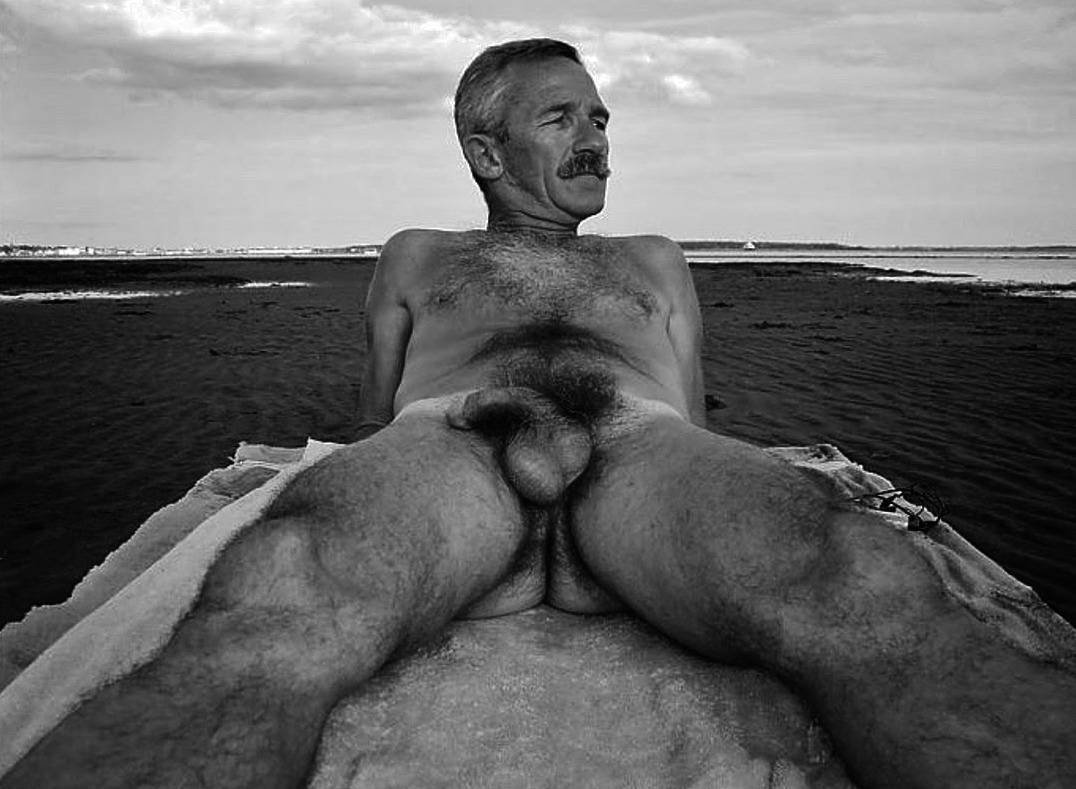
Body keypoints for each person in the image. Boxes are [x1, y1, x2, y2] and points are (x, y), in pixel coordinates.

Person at [3, 38, 1074, 789]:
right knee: (288, 584)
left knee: (854, 578)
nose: (595, 136)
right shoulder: (418, 255)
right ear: (486, 151)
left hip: (638, 454)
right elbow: (378, 411)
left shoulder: (652, 259)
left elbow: (689, 415)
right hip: (454, 443)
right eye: (561, 117)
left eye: (600, 117)